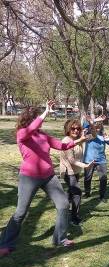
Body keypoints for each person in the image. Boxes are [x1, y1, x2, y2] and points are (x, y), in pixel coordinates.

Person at [0, 101, 88, 257]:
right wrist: (46, 112)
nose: (38, 122)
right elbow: (32, 128)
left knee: (62, 204)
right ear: (29, 120)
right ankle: (6, 244)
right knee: (20, 212)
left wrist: (78, 141)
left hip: (48, 176)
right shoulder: (22, 134)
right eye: (35, 118)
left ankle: (60, 238)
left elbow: (61, 145)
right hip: (29, 177)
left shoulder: (42, 135)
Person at [60, 119, 94, 226]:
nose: (75, 130)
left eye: (78, 128)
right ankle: (74, 218)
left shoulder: (80, 139)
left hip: (76, 171)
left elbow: (94, 136)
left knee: (70, 193)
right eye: (73, 128)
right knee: (77, 193)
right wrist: (85, 166)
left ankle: (63, 211)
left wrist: (92, 124)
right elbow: (71, 160)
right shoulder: (66, 141)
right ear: (68, 129)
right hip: (68, 171)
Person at [83, 119, 109, 202]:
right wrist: (95, 119)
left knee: (103, 178)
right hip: (89, 160)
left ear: (102, 127)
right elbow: (84, 124)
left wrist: (108, 140)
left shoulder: (103, 135)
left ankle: (102, 196)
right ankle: (87, 193)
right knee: (87, 178)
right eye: (96, 125)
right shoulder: (88, 134)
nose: (97, 127)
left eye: (99, 126)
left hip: (101, 160)